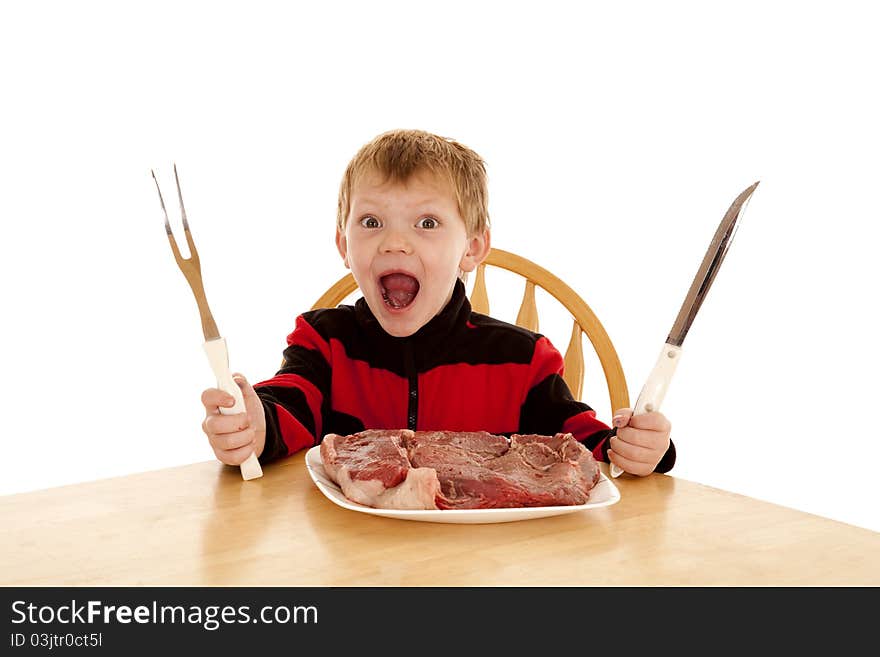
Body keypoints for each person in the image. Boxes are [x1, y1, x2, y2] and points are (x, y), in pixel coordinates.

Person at [200, 129, 675, 476]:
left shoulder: (522, 361)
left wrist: (635, 448)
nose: (394, 243)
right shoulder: (325, 341)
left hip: (486, 562)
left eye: (426, 224)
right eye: (370, 222)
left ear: (471, 248)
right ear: (344, 246)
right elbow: (290, 406)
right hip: (352, 563)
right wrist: (254, 424)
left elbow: (581, 444)